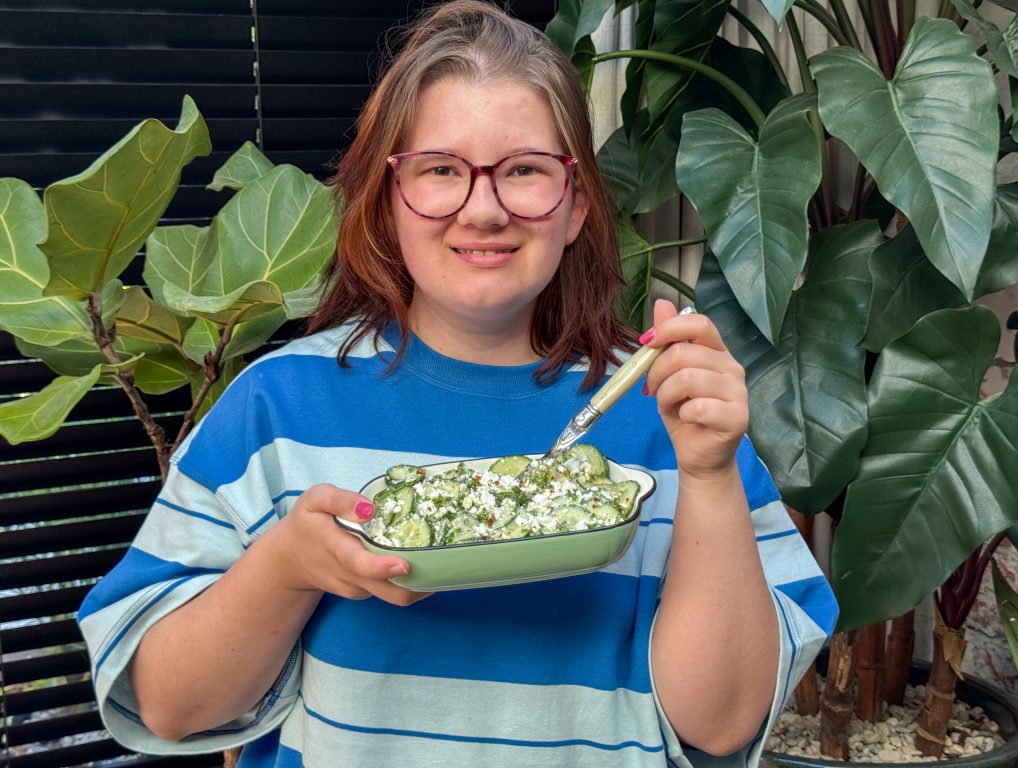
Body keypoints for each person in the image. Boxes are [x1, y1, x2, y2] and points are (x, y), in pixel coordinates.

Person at [78, 2, 837, 766]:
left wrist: (707, 476)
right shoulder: (273, 410)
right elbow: (172, 707)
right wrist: (286, 569)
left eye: (524, 172)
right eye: (442, 170)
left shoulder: (675, 420)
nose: (484, 209)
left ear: (574, 205)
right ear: (388, 197)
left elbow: (724, 723)